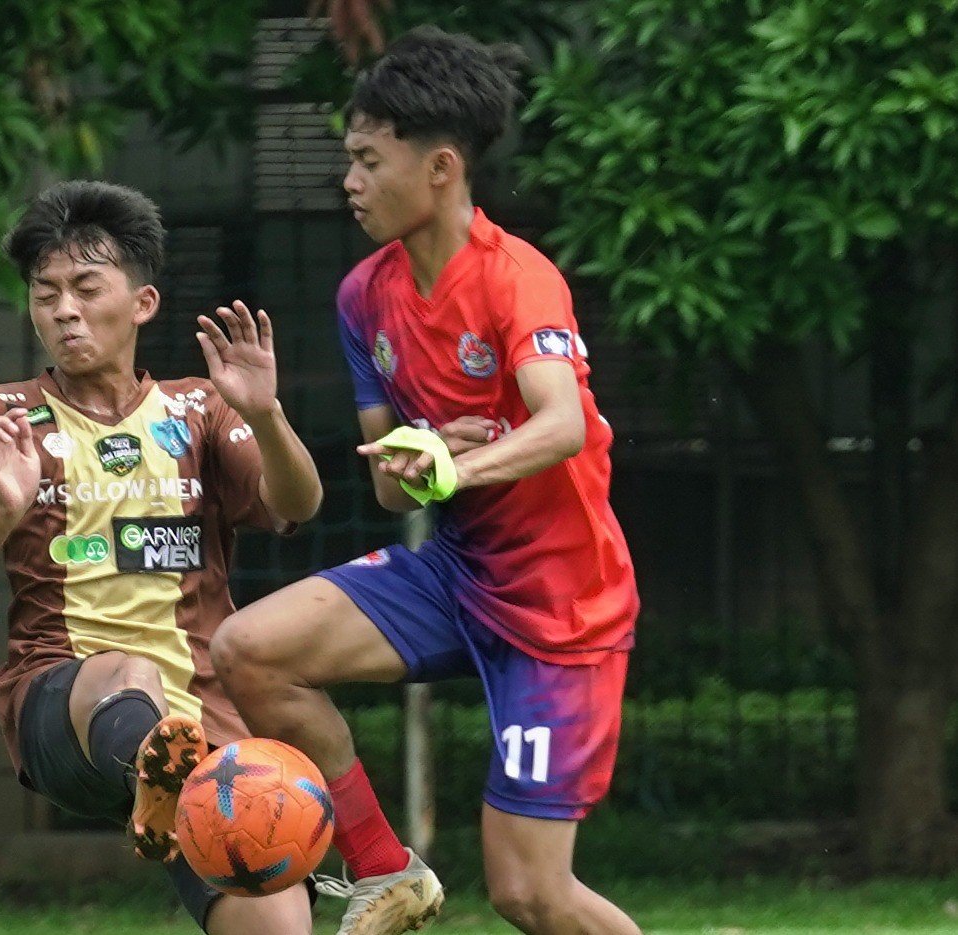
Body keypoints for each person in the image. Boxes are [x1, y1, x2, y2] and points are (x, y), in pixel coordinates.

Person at [211, 27, 641, 935]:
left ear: (440, 167)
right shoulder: (364, 294)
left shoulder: (519, 279)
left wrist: (456, 459)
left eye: (369, 159)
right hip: (455, 575)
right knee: (250, 649)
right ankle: (384, 867)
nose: (350, 181)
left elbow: (561, 424)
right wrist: (425, 456)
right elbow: (396, 491)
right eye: (349, 159)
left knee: (530, 892)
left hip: (563, 607)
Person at [0, 180, 322, 934]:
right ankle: (167, 782)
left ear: (143, 302)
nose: (63, 309)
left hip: (202, 721)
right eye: (45, 293)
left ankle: (171, 792)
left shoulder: (200, 408)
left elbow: (298, 503)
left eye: (85, 287)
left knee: (281, 924)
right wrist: (3, 512)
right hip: (61, 709)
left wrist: (266, 413)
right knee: (130, 675)